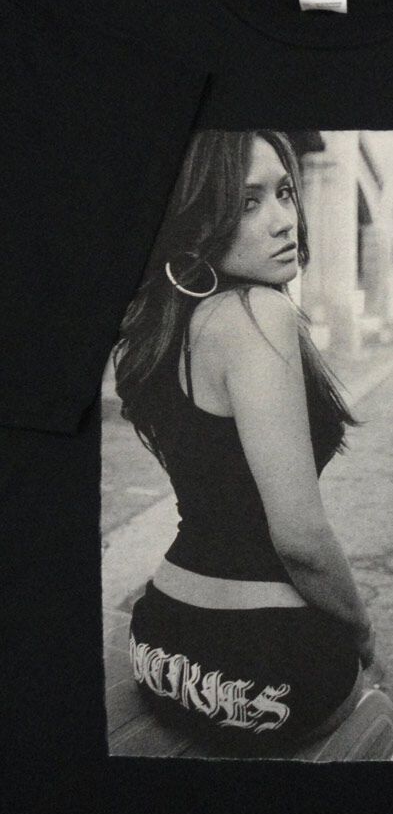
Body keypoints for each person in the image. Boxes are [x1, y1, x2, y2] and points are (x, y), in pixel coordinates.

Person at [112, 128, 375, 757]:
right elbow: (301, 539)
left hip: (159, 649)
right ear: (197, 222)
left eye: (284, 192)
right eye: (246, 203)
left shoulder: (167, 327)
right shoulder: (259, 313)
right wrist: (364, 634)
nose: (283, 220)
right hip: (265, 668)